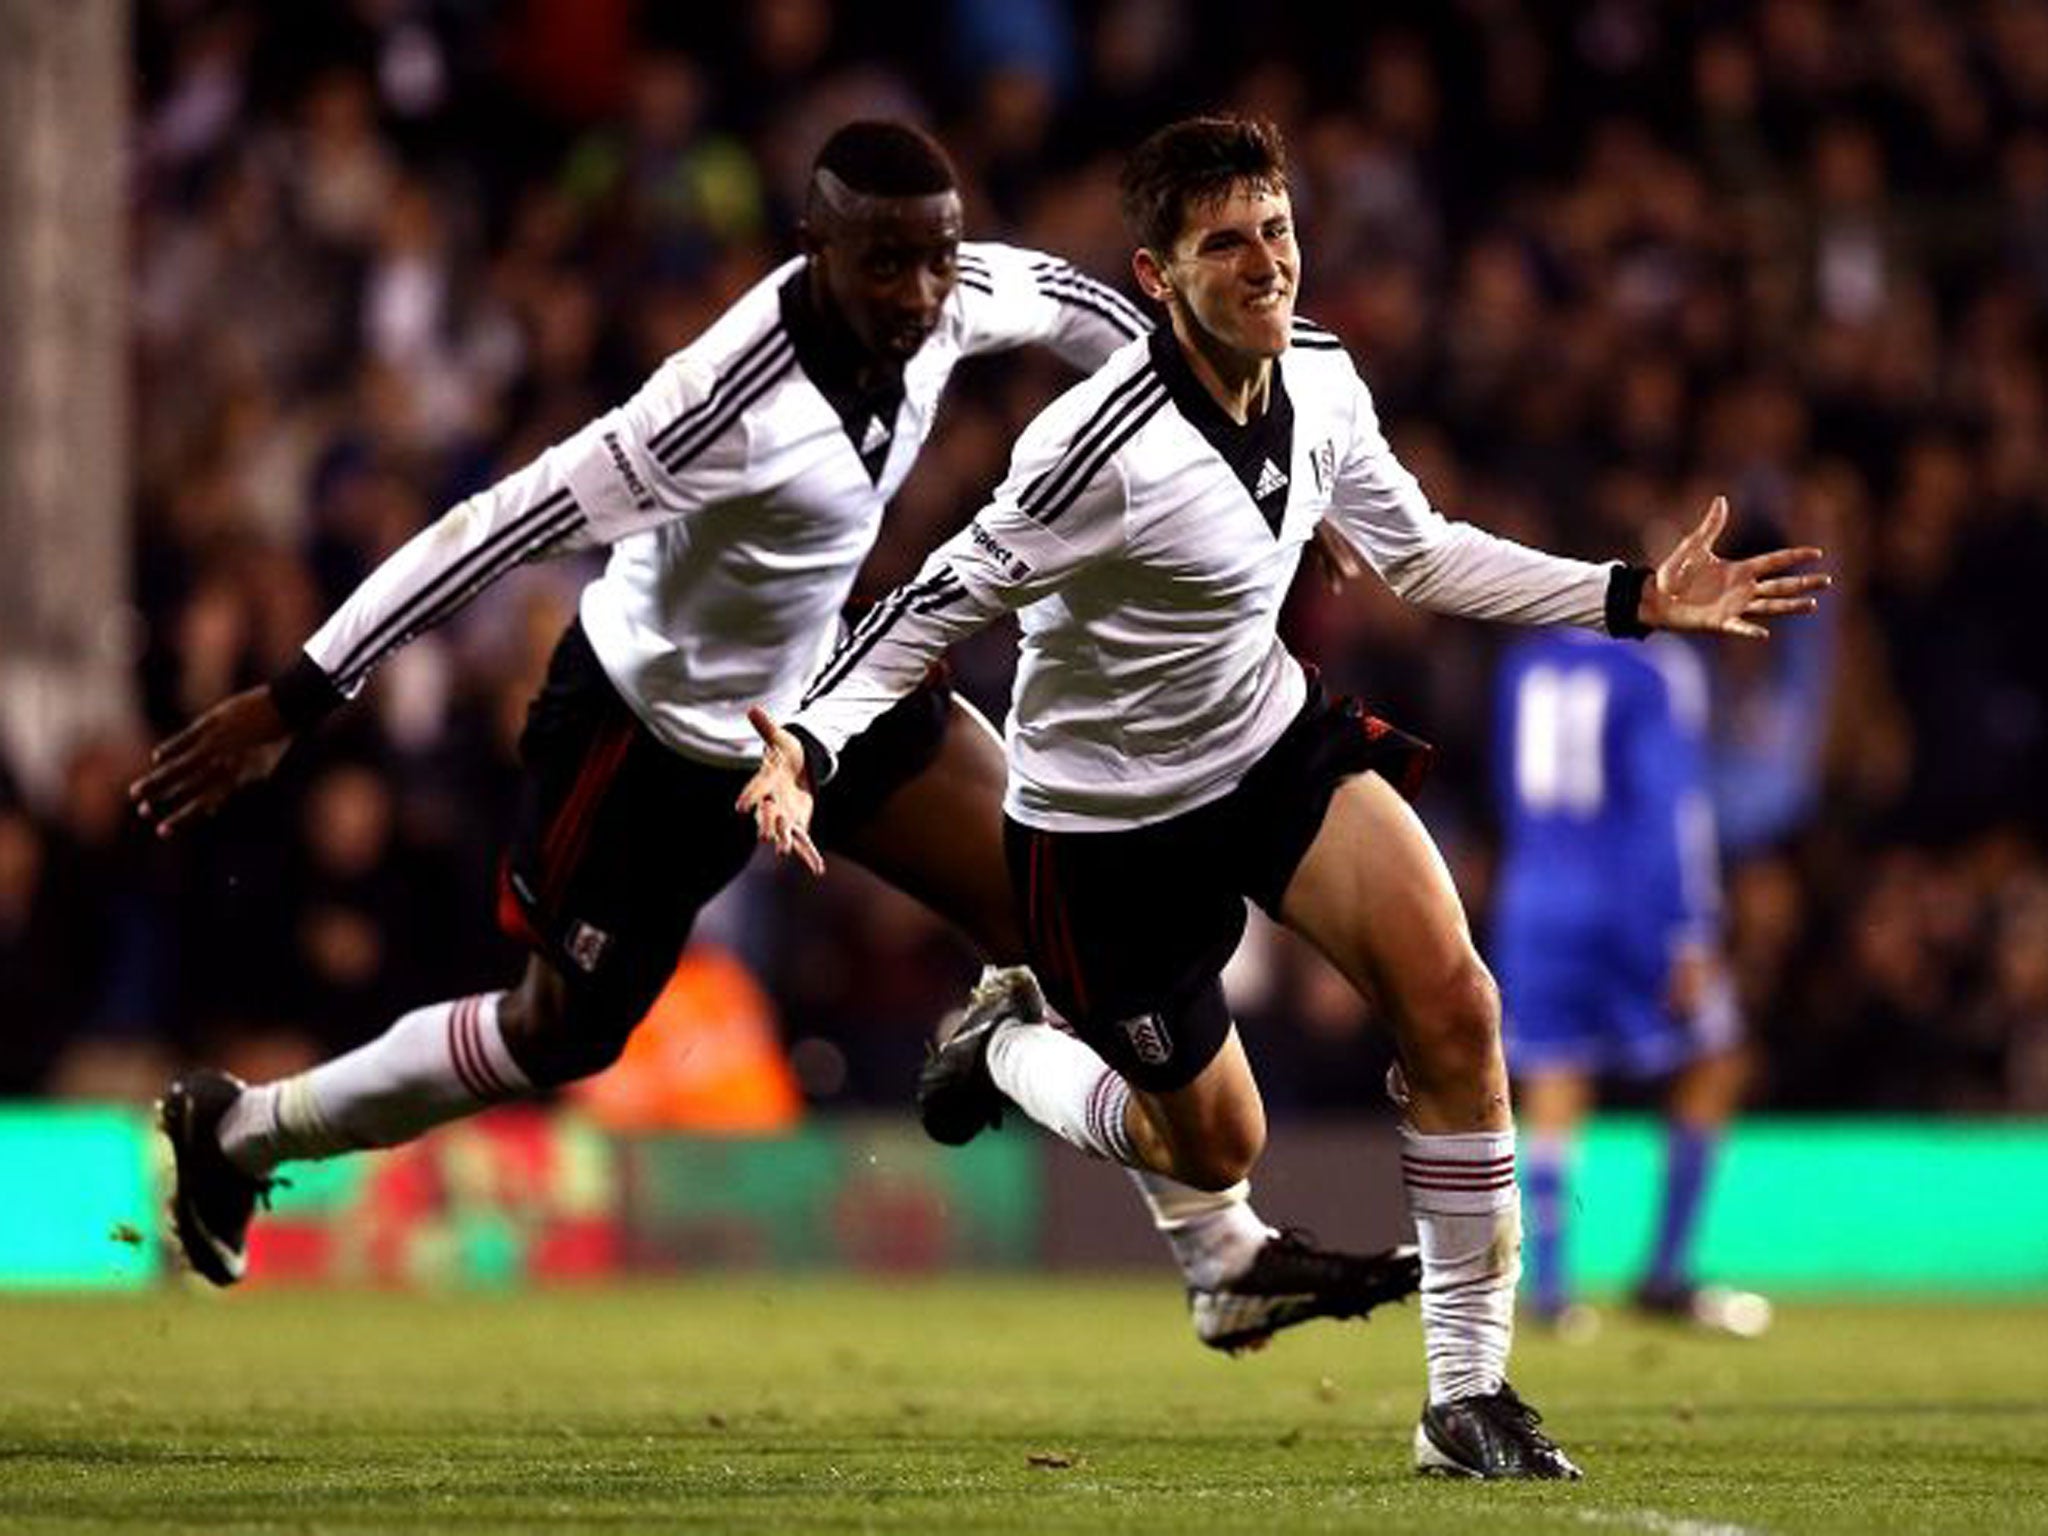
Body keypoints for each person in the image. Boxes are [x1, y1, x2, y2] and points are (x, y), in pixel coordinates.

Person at [132, 119, 1418, 1351]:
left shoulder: (956, 293)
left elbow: (1112, 319)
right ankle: (238, 1136)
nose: (923, 291)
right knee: (558, 1035)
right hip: (649, 736)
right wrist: (295, 698)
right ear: (814, 246)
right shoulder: (716, 408)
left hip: (830, 690)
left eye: (937, 253)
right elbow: (499, 524)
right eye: (885, 262)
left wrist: (1268, 446)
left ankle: (1223, 1265)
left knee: (1054, 911)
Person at [739, 114, 1827, 1479]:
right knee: (1209, 1143)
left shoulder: (1322, 377)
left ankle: (1466, 1395)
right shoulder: (1093, 451)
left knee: (1458, 1002)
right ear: (1156, 278)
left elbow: (1420, 554)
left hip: (1266, 748)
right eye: (1225, 244)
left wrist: (1630, 597)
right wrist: (808, 747)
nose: (1267, 264)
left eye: (1278, 230)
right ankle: (1010, 1048)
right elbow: (930, 605)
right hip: (1105, 824)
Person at [1490, 628, 1771, 1338]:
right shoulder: (1655, 668)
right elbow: (1669, 806)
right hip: (1626, 899)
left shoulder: (1526, 662)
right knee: (1716, 1058)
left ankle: (1552, 1289)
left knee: (1557, 1071)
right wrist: (1688, 928)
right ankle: (1666, 1275)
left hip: (1535, 894)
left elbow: (1504, 784)